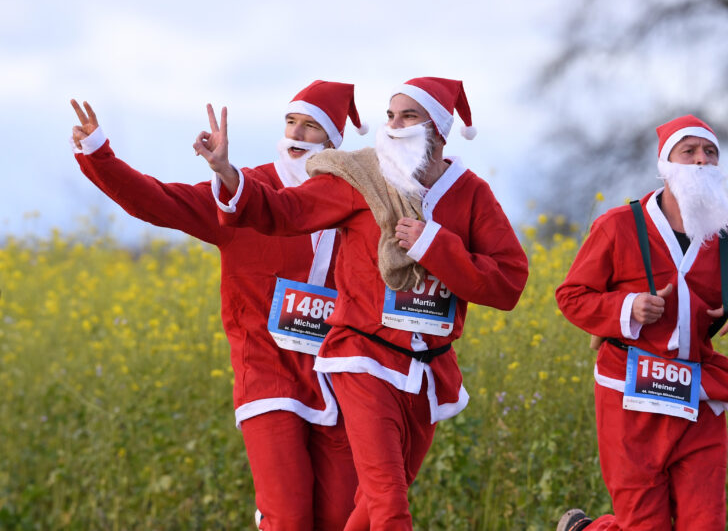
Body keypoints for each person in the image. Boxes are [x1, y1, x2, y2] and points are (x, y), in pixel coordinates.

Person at [206, 77, 529, 530]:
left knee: (360, 515)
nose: (394, 126)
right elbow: (285, 212)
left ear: (437, 128)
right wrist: (229, 175)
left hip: (427, 374)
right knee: (388, 506)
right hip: (362, 361)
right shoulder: (363, 177)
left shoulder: (471, 193)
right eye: (390, 116)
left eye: (408, 116)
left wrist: (436, 245)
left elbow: (508, 284)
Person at [70, 80, 367, 530]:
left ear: (333, 140)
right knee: (288, 518)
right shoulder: (240, 193)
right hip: (268, 375)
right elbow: (156, 201)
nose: (296, 134)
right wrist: (98, 153)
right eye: (291, 121)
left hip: (337, 381)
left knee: (342, 519)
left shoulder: (353, 201)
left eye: (310, 127)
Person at [555, 114, 728, 531]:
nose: (701, 160)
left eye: (710, 152)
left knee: (705, 523)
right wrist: (628, 307)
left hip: (699, 393)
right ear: (666, 164)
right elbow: (572, 296)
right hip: (628, 395)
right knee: (644, 524)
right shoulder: (618, 226)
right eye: (688, 151)